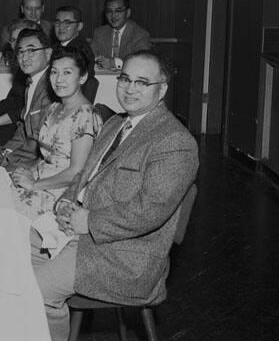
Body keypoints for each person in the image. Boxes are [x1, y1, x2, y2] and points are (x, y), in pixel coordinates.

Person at [32, 51, 198, 341]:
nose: (130, 88)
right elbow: (83, 176)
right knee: (9, 249)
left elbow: (149, 212)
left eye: (142, 82)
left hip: (124, 254)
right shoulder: (114, 123)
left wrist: (90, 221)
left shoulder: (175, 142)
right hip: (79, 229)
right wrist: (67, 201)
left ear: (162, 89)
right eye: (125, 79)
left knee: (35, 291)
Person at [11, 46, 102, 219]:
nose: (59, 79)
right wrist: (27, 171)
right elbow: (47, 156)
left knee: (5, 215)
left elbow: (77, 172)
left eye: (67, 72)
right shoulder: (54, 108)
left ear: (82, 77)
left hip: (63, 193)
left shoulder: (85, 115)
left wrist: (34, 184)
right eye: (54, 72)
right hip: (41, 180)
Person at [0, 28, 54, 168]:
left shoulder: (51, 89)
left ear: (48, 53)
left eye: (31, 51)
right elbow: (23, 127)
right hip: (20, 156)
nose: (24, 58)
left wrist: (8, 160)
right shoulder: (32, 82)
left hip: (35, 165)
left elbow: (41, 147)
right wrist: (6, 151)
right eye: (21, 51)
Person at [0, 18, 37, 145]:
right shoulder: (22, 66)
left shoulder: (36, 70)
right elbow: (14, 99)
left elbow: (24, 109)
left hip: (26, 134)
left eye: (21, 39)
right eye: (13, 40)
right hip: (14, 126)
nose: (16, 45)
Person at [92, 0, 152, 70]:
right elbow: (90, 56)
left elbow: (142, 61)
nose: (113, 16)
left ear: (128, 13)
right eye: (109, 11)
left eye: (118, 11)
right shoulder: (99, 32)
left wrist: (115, 63)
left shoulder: (140, 34)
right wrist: (96, 60)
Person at [53, 5, 98, 102]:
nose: (61, 27)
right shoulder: (57, 46)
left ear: (79, 26)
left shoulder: (79, 50)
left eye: (67, 23)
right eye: (57, 22)